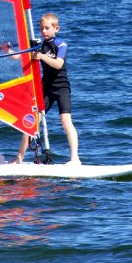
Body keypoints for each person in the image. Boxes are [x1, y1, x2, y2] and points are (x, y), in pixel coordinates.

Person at [16, 13, 81, 165]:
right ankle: (19, 157)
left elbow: (59, 64)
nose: (44, 31)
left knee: (66, 121)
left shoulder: (61, 44)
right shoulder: (39, 46)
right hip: (46, 87)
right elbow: (20, 56)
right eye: (41, 29)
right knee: (31, 121)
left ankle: (75, 158)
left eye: (47, 28)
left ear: (56, 28)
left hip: (61, 87)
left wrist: (41, 57)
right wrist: (8, 51)